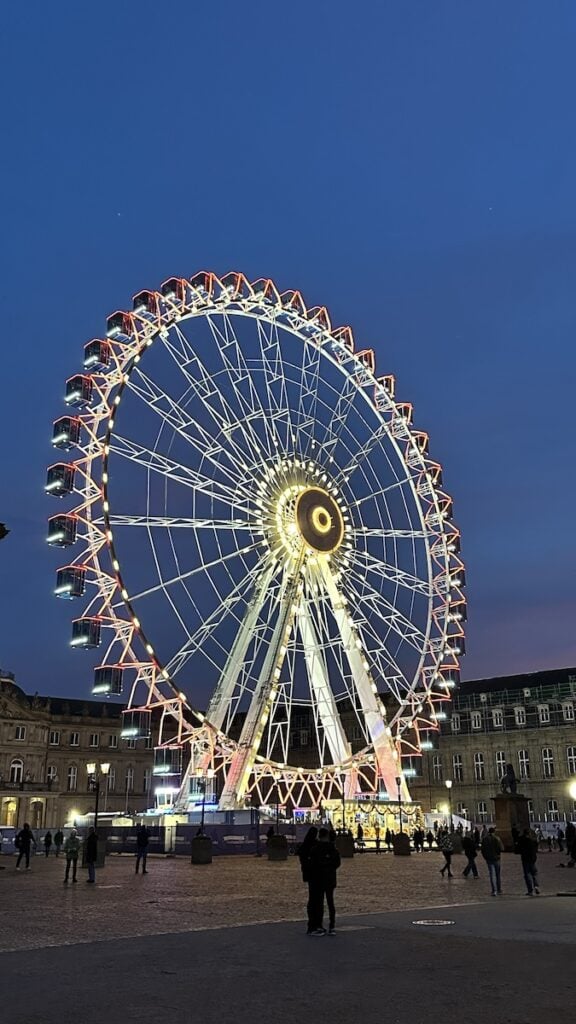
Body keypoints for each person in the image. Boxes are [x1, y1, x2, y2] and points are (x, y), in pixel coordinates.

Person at [307, 827, 341, 936]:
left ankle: (319, 925)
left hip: (319, 879)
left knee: (319, 902)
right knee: (330, 902)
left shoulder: (315, 849)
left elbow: (312, 863)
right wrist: (330, 867)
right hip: (330, 878)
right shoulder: (333, 849)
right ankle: (332, 926)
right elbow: (337, 863)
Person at [297, 826, 318, 934]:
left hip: (309, 875)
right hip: (316, 875)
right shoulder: (315, 846)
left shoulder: (304, 846)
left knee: (312, 899)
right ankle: (315, 924)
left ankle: (312, 923)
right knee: (316, 900)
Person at [516, 828, 539, 895]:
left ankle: (530, 890)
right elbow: (535, 848)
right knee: (534, 873)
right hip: (532, 859)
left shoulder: (522, 840)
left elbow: (517, 850)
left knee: (527, 874)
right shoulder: (532, 840)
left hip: (525, 859)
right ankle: (536, 886)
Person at [481, 827, 504, 895]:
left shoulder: (485, 839)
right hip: (496, 858)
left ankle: (494, 890)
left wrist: (485, 857)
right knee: (497, 874)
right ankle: (499, 889)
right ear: (494, 832)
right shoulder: (497, 838)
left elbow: (483, 850)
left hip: (489, 859)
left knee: (492, 874)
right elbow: (502, 848)